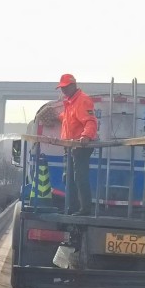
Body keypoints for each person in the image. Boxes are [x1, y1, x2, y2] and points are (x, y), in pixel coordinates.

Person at [57, 74, 98, 216]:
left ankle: (85, 209)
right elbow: (69, 119)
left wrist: (86, 136)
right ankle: (72, 208)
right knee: (68, 178)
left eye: (65, 87)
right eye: (61, 88)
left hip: (80, 146)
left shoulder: (82, 100)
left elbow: (90, 121)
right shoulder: (70, 102)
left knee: (80, 177)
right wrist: (56, 117)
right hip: (69, 146)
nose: (63, 90)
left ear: (73, 85)